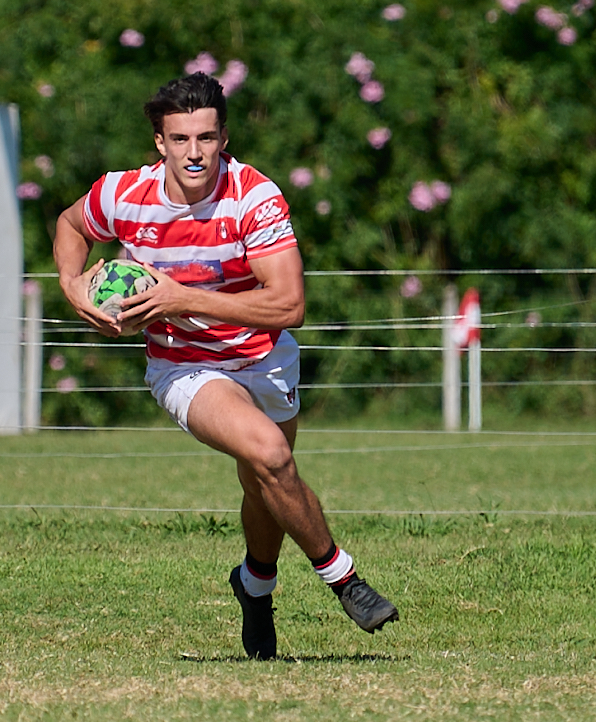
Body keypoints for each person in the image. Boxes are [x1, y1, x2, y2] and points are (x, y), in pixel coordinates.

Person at [53, 73, 398, 659]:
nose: (195, 153)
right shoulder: (122, 194)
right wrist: (71, 288)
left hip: (264, 359)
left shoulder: (253, 196)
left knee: (265, 483)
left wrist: (183, 297)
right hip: (183, 367)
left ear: (224, 137)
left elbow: (289, 305)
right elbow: (69, 224)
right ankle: (345, 579)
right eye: (181, 139)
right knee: (269, 453)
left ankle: (254, 588)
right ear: (159, 142)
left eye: (207, 138)